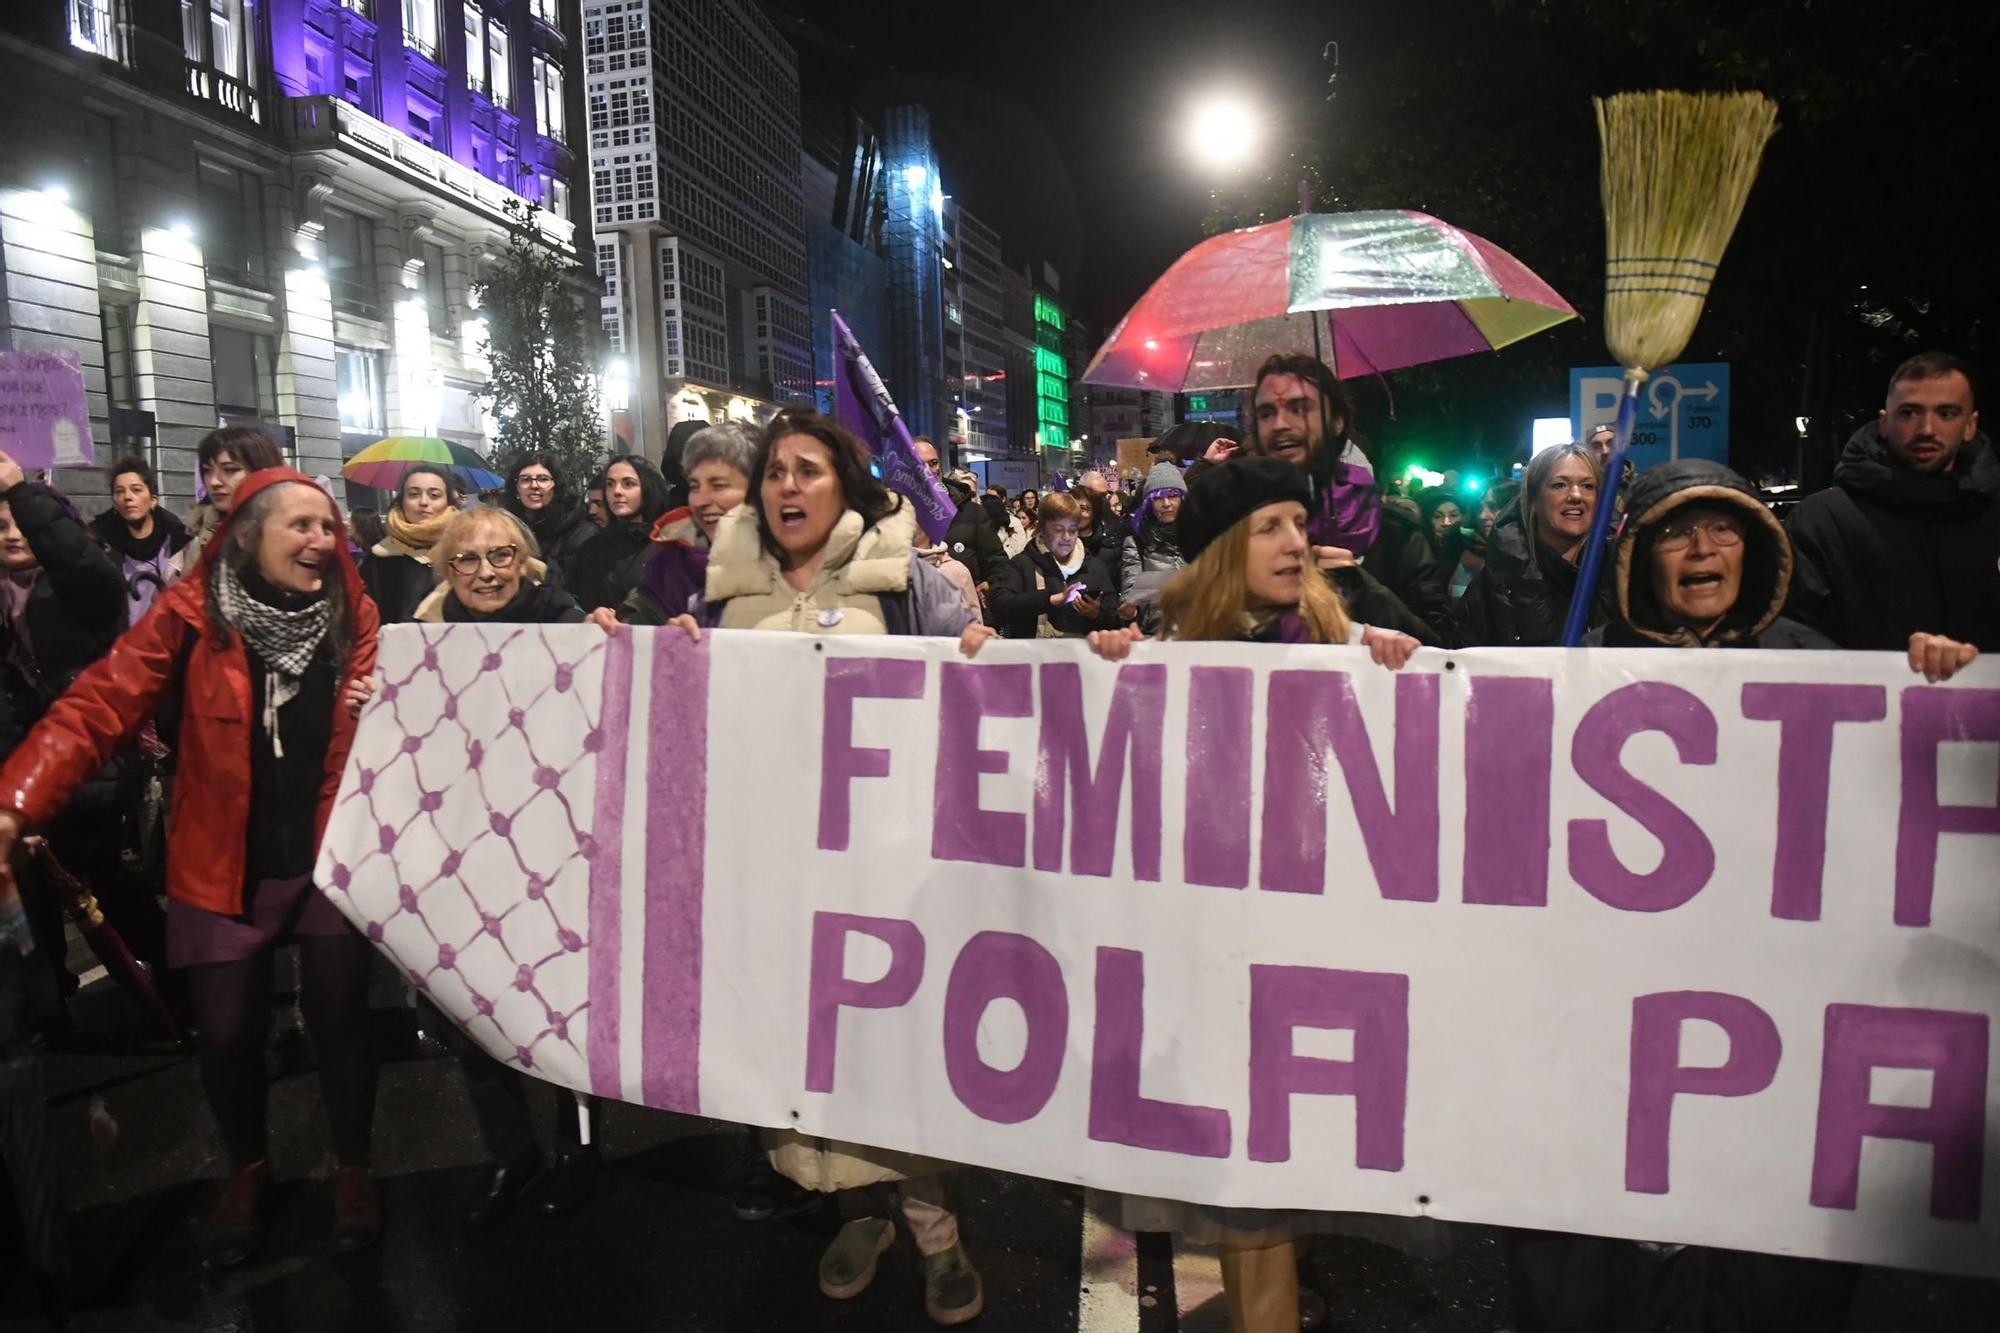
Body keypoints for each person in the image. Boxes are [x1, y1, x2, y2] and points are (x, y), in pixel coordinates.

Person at [627, 409, 980, 1324]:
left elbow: (980, 681)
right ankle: (857, 1215)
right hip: (777, 863)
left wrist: (983, 655)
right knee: (813, 1048)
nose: (788, 485)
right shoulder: (723, 590)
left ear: (845, 485)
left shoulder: (906, 583)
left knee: (891, 1048)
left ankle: (936, 1228)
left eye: (809, 469)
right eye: (775, 471)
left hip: (886, 865)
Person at [0, 469, 383, 1268]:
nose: (322, 540)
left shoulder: (360, 618)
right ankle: (246, 1169)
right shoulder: (188, 616)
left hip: (330, 852)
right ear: (247, 534)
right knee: (228, 1033)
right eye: (301, 525)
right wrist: (16, 801)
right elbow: (98, 704)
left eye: (329, 527)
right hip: (217, 857)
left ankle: (353, 1168)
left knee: (344, 1019)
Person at [1082, 458, 1421, 1333]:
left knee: (1293, 1178)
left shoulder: (1341, 636)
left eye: (1298, 524)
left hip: (1324, 953)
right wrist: (1109, 668)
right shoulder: (1174, 652)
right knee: (1255, 1199)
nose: (1294, 541)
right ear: (1227, 548)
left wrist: (1398, 665)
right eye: (1270, 525)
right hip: (1223, 959)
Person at [403, 507, 604, 1225]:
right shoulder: (417, 640)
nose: (485, 572)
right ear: (444, 568)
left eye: (501, 555)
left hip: (554, 847)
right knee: (472, 1012)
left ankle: (579, 1148)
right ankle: (511, 1153)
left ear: (526, 561)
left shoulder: (569, 625)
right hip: (462, 853)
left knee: (564, 1007)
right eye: (467, 560)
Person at [1, 450, 162, 979]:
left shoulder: (81, 583)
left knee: (105, 879)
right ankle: (49, 1006)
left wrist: (23, 493)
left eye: (22, 525)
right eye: (1, 525)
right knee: (28, 887)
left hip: (87, 763)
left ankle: (172, 982)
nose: (13, 535)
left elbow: (85, 568)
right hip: (20, 765)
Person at [1786, 351, 1999, 654]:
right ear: (1884, 423)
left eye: (1947, 413)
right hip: (1864, 702)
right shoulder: (1822, 521)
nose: (1927, 429)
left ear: (1970, 425)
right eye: (1909, 413)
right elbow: (1795, 639)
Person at [1243, 353, 1454, 645]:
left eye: (1299, 408)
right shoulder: (1234, 534)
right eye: (1266, 413)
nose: (1279, 424)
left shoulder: (1396, 534)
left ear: (1337, 423)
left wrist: (1361, 589)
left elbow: (1440, 649)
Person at [588, 424, 755, 627]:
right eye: (694, 486)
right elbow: (636, 625)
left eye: (718, 485)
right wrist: (609, 627)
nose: (700, 500)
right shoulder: (670, 565)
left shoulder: (794, 559)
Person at [1456, 442, 1615, 646]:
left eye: (1587, 486)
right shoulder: (1494, 585)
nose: (1576, 495)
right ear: (1533, 499)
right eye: (1559, 485)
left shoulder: (1620, 575)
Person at [988, 493, 1127, 639]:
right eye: (1058, 530)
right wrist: (1050, 600)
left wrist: (1095, 615)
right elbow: (999, 604)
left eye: (1073, 530)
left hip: (1082, 657)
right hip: (1034, 656)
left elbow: (1115, 621)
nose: (1067, 537)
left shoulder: (1093, 566)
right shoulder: (1022, 563)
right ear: (1041, 528)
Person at [567, 454, 671, 613]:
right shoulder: (591, 548)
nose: (616, 491)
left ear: (649, 488)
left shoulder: (667, 548)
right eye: (610, 484)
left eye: (628, 484)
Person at [93, 457, 191, 625]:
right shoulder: (99, 540)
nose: (127, 497)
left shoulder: (177, 538)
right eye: (119, 491)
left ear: (153, 500)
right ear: (114, 503)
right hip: (119, 637)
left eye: (136, 490)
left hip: (166, 635)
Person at [361, 464, 462, 623]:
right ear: (401, 501)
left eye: (434, 495)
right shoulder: (379, 557)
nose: (423, 502)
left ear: (449, 503)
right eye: (413, 494)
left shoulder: (466, 551)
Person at [184, 426, 287, 571]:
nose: (214, 482)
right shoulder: (205, 532)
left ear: (262, 471)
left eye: (230, 470)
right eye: (207, 470)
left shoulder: (293, 530)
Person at [502, 453, 595, 589]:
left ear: (555, 487)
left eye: (543, 479)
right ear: (516, 490)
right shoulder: (505, 527)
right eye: (525, 479)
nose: (534, 485)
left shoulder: (581, 530)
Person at [1119, 460, 1188, 633]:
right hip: (1156, 631)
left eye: (1172, 495)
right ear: (1149, 503)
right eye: (1158, 497)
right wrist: (1129, 602)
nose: (1166, 503)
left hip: (1198, 630)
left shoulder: (1199, 533)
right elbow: (1131, 577)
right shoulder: (1137, 538)